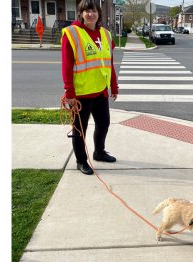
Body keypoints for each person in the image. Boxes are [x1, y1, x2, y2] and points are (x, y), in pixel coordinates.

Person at [61, 0, 119, 175]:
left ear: (99, 13)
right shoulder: (71, 34)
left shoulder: (106, 34)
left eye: (93, 11)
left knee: (103, 124)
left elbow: (109, 63)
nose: (90, 14)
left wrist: (113, 86)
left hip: (100, 91)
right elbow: (66, 66)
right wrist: (69, 92)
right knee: (80, 130)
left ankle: (99, 152)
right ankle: (81, 161)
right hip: (80, 94)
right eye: (86, 11)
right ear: (81, 13)